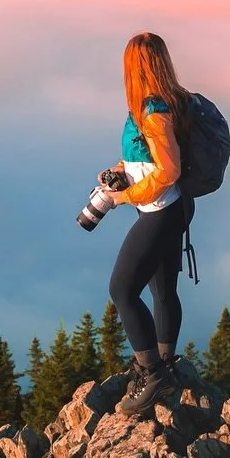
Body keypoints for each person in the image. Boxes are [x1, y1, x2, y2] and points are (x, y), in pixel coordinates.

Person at [95, 31, 195, 418]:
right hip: (170, 208)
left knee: (121, 290)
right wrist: (120, 171)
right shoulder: (162, 103)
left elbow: (167, 170)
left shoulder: (152, 112)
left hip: (160, 209)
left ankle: (153, 374)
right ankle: (166, 364)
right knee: (163, 290)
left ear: (133, 68)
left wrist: (125, 196)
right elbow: (151, 159)